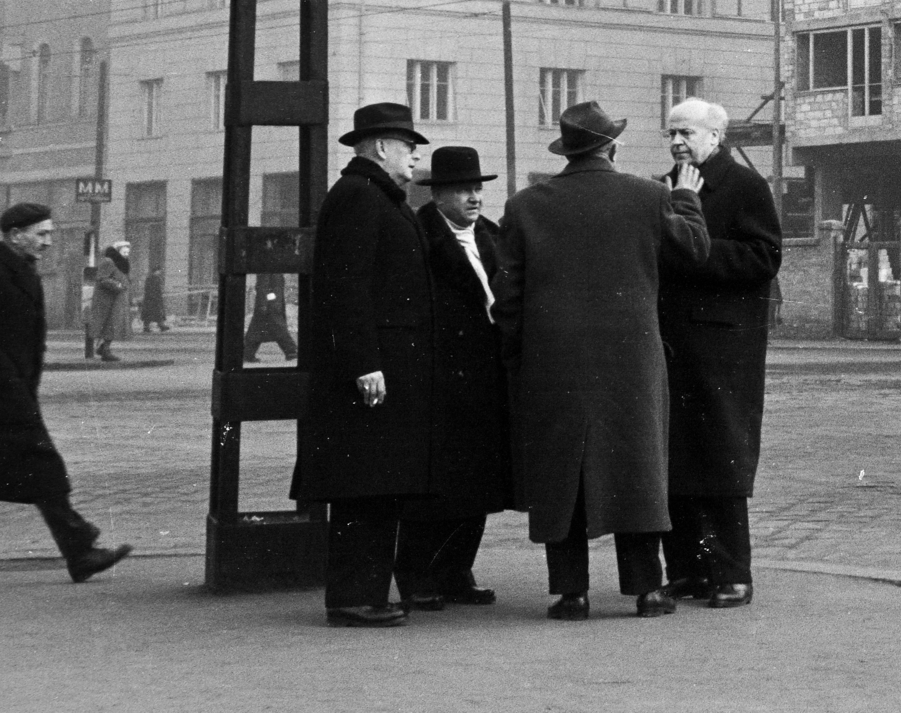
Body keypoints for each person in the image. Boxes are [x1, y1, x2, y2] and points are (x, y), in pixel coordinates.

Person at [493, 101, 708, 621]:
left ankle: (571, 593)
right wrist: (687, 198)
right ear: (611, 147)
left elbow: (508, 299)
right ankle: (646, 591)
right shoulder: (650, 197)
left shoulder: (526, 205)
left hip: (553, 363)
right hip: (631, 361)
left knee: (561, 474)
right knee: (636, 467)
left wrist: (520, 361)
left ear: (567, 150)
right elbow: (695, 251)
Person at [0, 203, 132, 590]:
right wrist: (6, 375)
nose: (48, 242)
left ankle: (81, 551)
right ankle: (81, 549)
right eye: (41, 234)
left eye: (50, 234)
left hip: (9, 404)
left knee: (39, 474)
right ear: (15, 234)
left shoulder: (24, 273)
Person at [290, 102, 432, 629]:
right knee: (364, 488)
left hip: (386, 368)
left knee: (377, 485)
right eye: (407, 145)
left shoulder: (375, 196)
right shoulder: (358, 197)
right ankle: (353, 596)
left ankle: (367, 592)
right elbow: (344, 289)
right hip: (370, 373)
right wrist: (364, 362)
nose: (414, 154)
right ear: (379, 148)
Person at [658, 98, 782, 610]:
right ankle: (687, 571)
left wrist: (696, 249)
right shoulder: (666, 185)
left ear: (716, 135)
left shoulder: (746, 186)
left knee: (722, 458)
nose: (677, 142)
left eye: (686, 132)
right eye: (671, 133)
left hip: (724, 348)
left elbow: (764, 256)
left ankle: (732, 574)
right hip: (672, 344)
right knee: (675, 460)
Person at [397, 145, 513, 610]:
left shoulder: (493, 235)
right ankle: (417, 576)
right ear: (439, 194)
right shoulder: (419, 235)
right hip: (440, 379)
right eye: (464, 189)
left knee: (480, 482)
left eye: (478, 188)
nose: (475, 197)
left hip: (488, 378)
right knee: (434, 487)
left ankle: (456, 571)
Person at [88, 241, 132, 362]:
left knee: (113, 325)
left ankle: (103, 348)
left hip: (116, 300)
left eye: (128, 252)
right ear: (117, 251)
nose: (126, 255)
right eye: (124, 252)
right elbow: (102, 279)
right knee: (110, 325)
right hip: (107, 300)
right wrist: (118, 285)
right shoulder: (109, 261)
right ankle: (105, 351)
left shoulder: (121, 264)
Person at [243, 273, 297, 362]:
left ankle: (247, 354)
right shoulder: (268, 267)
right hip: (270, 306)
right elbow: (263, 286)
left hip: (270, 305)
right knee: (278, 328)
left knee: (256, 331)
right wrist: (264, 304)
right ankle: (291, 352)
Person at [139, 268, 168, 333]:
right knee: (154, 313)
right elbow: (154, 289)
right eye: (159, 271)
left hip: (151, 299)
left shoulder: (152, 278)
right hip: (153, 300)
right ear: (155, 271)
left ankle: (159, 326)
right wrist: (156, 296)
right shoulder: (153, 278)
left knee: (154, 314)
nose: (159, 273)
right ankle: (159, 326)